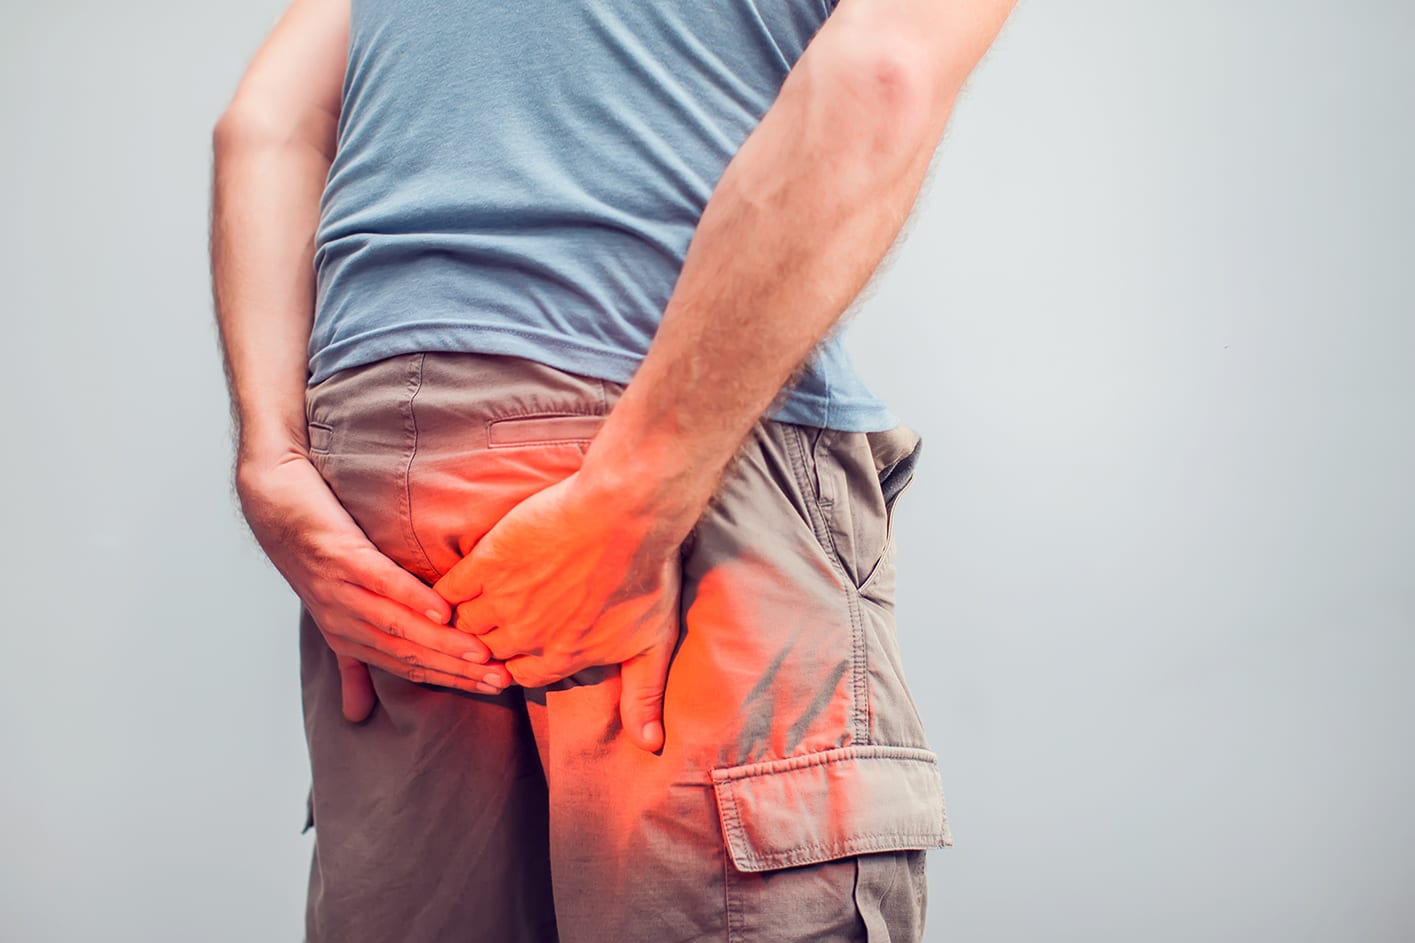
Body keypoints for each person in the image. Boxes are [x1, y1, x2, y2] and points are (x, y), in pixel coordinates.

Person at [210, 0, 1015, 939]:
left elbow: (263, 124)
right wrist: (639, 486)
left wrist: (272, 455)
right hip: (666, 448)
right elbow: (882, 70)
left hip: (382, 487)